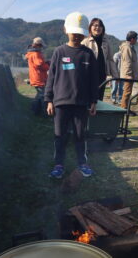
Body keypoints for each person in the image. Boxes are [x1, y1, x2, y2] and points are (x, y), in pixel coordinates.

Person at [45, 11, 99, 179]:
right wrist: (49, 100)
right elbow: (51, 77)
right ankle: (59, 164)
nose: (76, 36)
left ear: (85, 34)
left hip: (81, 103)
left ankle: (82, 163)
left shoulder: (88, 54)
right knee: (60, 135)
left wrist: (93, 101)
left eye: (80, 34)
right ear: (65, 30)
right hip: (60, 102)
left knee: (80, 135)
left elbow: (93, 80)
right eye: (73, 33)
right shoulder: (59, 52)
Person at [82, 18, 118, 100]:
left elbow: (110, 59)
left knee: (100, 96)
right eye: (95, 25)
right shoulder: (85, 41)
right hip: (89, 74)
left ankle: (98, 112)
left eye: (100, 26)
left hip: (102, 74)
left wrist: (115, 75)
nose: (98, 28)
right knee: (89, 96)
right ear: (90, 27)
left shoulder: (106, 42)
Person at [25, 37, 50, 116]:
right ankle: (43, 113)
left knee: (39, 95)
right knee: (43, 96)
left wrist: (45, 62)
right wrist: (48, 65)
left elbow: (39, 64)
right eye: (41, 46)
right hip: (39, 78)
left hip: (36, 77)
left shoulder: (31, 53)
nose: (42, 48)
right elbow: (40, 65)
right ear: (38, 45)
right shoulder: (36, 54)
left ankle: (35, 111)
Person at [119, 31, 138, 116]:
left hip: (130, 74)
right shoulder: (127, 47)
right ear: (132, 39)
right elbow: (127, 62)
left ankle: (126, 108)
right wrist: (128, 74)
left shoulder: (129, 47)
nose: (137, 40)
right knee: (127, 92)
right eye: (136, 39)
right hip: (128, 75)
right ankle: (124, 110)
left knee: (128, 91)